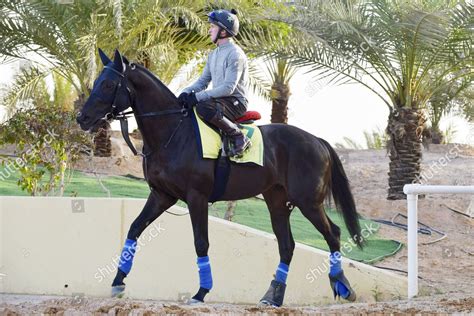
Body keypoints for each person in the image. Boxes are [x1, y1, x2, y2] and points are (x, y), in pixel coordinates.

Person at [178, 9, 251, 157]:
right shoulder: (213, 54)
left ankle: (239, 136)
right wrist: (186, 92)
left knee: (203, 107)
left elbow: (228, 88)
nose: (209, 30)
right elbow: (203, 82)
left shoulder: (235, 54)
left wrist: (197, 98)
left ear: (223, 32)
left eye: (213, 26)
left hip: (236, 102)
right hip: (220, 100)